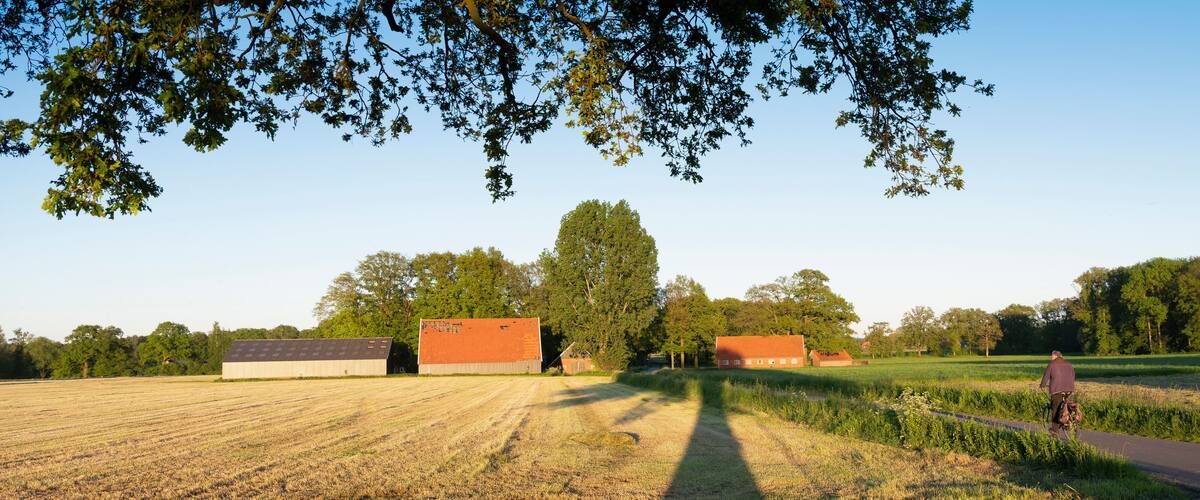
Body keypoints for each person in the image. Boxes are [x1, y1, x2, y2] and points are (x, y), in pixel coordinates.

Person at [1039, 350, 1076, 437]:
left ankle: (1055, 431)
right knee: (1067, 406)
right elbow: (1073, 375)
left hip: (1057, 390)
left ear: (1054, 356)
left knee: (1055, 409)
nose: (1051, 358)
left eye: (1052, 357)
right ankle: (1068, 422)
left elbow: (1046, 376)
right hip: (1070, 390)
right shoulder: (1069, 364)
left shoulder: (1052, 364)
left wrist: (1042, 385)